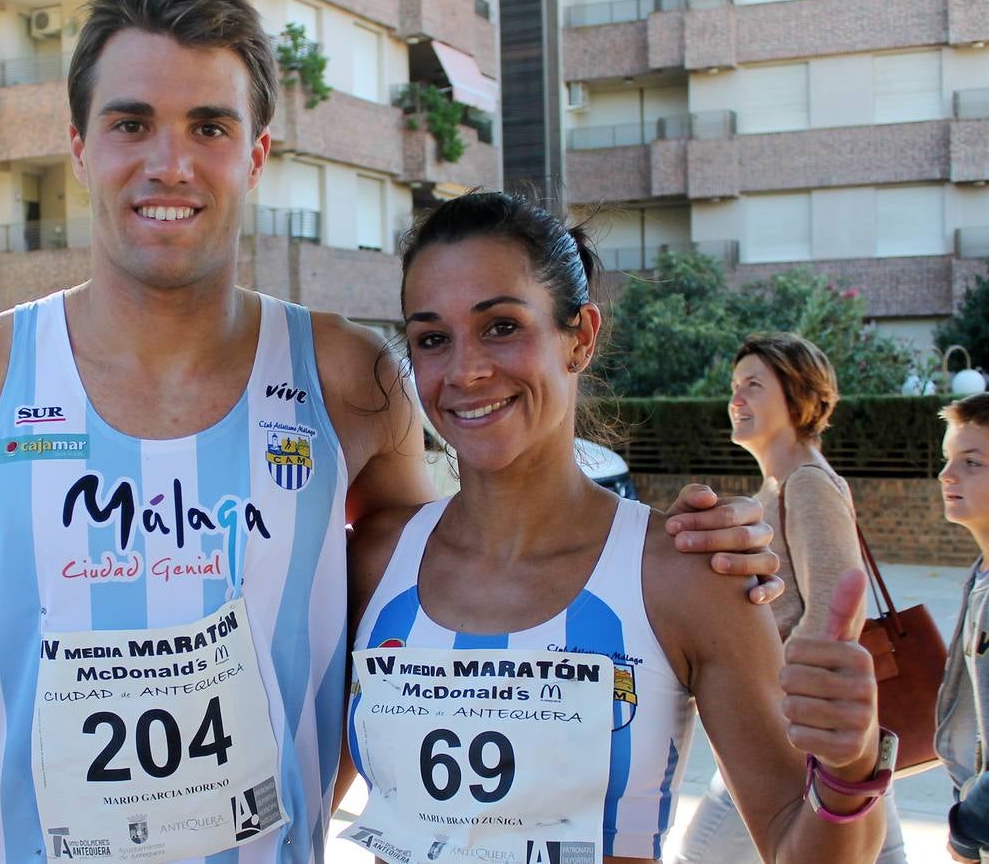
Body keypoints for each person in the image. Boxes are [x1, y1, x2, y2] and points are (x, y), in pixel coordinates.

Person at [0, 0, 780, 862]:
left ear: (257, 155)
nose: (170, 161)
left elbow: (457, 572)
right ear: (79, 148)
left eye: (210, 125)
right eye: (131, 123)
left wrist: (674, 556)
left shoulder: (353, 380)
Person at [343, 193, 891, 863]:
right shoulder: (375, 561)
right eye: (432, 339)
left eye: (502, 327)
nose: (464, 371)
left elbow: (795, 848)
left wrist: (850, 766)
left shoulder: (687, 572)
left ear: (581, 337)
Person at [671, 333, 906, 862]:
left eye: (753, 384)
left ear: (798, 395)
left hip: (793, 733)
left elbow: (835, 612)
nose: (736, 398)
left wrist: (767, 690)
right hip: (804, 730)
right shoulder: (778, 488)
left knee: (700, 854)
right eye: (734, 386)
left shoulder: (806, 483)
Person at [934, 392, 989, 863]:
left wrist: (966, 831)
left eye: (972, 462)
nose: (947, 475)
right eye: (948, 459)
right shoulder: (981, 573)